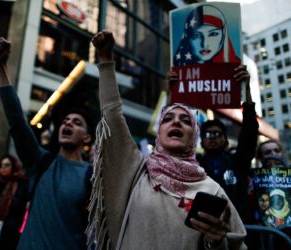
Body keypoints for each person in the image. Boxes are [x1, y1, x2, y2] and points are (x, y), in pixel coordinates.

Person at [87, 30, 246, 250]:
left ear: (194, 137)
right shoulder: (138, 172)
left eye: (186, 120)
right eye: (168, 119)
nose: (176, 123)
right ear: (159, 132)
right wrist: (106, 59)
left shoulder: (212, 190)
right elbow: (112, 116)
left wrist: (216, 242)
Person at [0, 38, 93, 250]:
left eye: (77, 123)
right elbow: (17, 121)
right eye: (65, 121)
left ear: (87, 138)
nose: (68, 124)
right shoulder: (41, 162)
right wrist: (0, 68)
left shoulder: (92, 177)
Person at [196, 66, 259, 223]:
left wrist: (246, 89)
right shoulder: (194, 165)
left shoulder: (238, 162)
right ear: (202, 140)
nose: (213, 137)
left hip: (238, 231)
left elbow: (249, 134)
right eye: (208, 134)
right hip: (202, 232)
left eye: (218, 134)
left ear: (225, 140)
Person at [173, 4, 240, 66]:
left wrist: (243, 79)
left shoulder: (236, 68)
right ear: (187, 37)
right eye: (196, 35)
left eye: (213, 34)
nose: (204, 44)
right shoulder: (179, 67)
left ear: (223, 35)